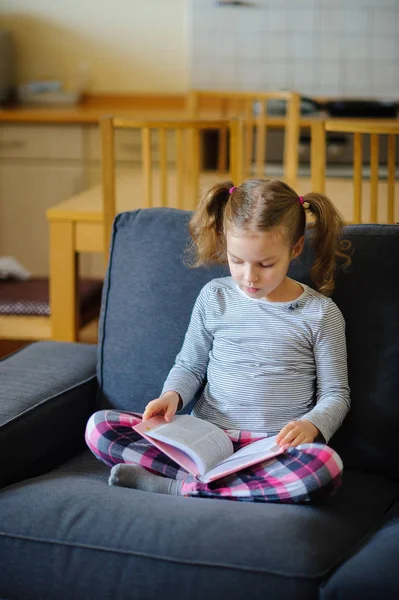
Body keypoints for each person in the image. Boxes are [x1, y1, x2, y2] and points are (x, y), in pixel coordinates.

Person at [85, 178, 351, 503]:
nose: (249, 277)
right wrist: (172, 395)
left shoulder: (320, 314)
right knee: (99, 427)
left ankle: (181, 486)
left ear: (294, 249)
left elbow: (336, 394)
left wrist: (312, 425)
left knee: (325, 467)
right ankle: (229, 486)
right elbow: (190, 365)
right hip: (207, 437)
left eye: (265, 264)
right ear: (226, 242)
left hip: (273, 447)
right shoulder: (215, 297)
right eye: (237, 260)